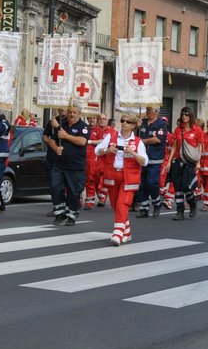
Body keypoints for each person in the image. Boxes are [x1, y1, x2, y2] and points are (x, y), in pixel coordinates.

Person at [96, 111, 149, 245]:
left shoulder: (138, 142)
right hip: (112, 176)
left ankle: (118, 233)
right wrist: (107, 150)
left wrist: (133, 153)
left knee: (122, 204)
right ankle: (127, 232)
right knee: (115, 206)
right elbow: (97, 150)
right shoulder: (111, 136)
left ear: (133, 126)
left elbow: (144, 161)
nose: (124, 123)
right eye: (122, 121)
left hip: (129, 178)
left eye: (128, 122)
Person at [50, 105, 89, 226]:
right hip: (59, 164)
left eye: (74, 112)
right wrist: (56, 148)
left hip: (75, 166)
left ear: (79, 114)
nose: (72, 114)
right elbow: (51, 139)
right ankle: (60, 213)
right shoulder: (62, 124)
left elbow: (82, 141)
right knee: (55, 187)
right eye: (70, 112)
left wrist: (66, 136)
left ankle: (72, 214)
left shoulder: (84, 127)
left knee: (73, 192)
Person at [165, 108, 205, 220]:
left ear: (190, 116)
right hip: (177, 161)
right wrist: (169, 161)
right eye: (182, 115)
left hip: (189, 162)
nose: (184, 117)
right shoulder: (178, 129)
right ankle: (180, 211)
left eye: (186, 115)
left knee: (187, 187)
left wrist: (198, 163)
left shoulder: (197, 130)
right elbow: (174, 146)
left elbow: (199, 147)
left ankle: (192, 203)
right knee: (177, 187)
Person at [137, 105, 169, 217]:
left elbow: (157, 139)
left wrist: (142, 141)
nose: (147, 112)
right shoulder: (143, 122)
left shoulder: (161, 125)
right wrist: (137, 127)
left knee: (152, 183)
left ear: (156, 112)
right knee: (141, 184)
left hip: (154, 159)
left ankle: (157, 202)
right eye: (146, 110)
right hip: (141, 158)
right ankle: (144, 208)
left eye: (149, 110)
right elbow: (136, 137)